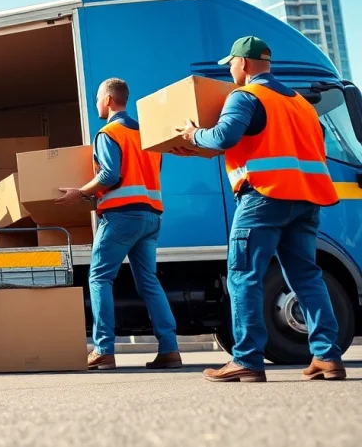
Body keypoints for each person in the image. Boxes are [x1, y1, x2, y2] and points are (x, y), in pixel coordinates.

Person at [174, 36, 346, 382]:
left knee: (244, 276)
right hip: (307, 199)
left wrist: (193, 137)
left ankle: (247, 359)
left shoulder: (246, 96)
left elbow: (223, 137)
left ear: (245, 63)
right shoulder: (300, 104)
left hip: (264, 198)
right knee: (307, 277)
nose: (231, 70)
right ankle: (327, 356)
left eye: (232, 64)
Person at [57, 78, 180, 371]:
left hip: (122, 217)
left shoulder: (108, 133)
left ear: (109, 100)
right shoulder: (149, 136)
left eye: (98, 98)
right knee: (149, 283)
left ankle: (104, 350)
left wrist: (82, 192)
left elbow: (111, 175)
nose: (96, 103)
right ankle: (170, 349)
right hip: (152, 217)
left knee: (100, 279)